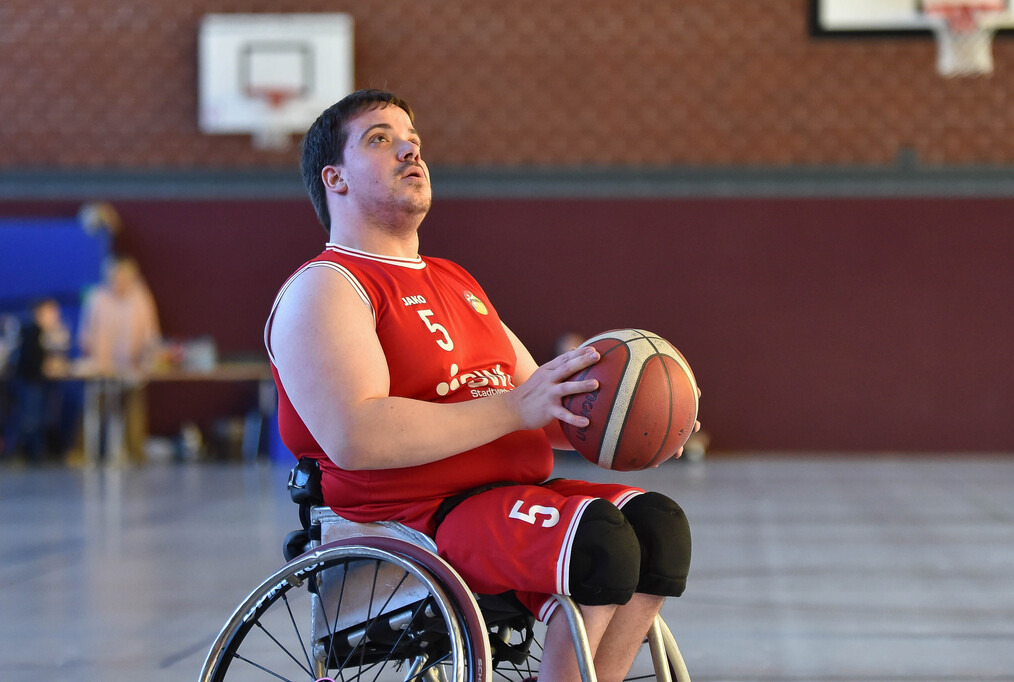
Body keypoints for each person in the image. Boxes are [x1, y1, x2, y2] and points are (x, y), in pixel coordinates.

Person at [266, 89, 697, 682]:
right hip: (416, 518)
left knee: (659, 527)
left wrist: (639, 425)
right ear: (334, 178)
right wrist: (514, 409)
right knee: (599, 543)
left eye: (410, 136)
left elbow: (544, 405)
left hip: (504, 500)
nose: (409, 146)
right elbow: (356, 435)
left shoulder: (454, 279)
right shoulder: (328, 286)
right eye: (380, 138)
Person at [78, 256, 161, 462]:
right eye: (115, 277)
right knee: (94, 407)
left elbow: (150, 333)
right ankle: (84, 453)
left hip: (131, 365)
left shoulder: (141, 297)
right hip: (102, 366)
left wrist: (148, 356)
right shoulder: (97, 297)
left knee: (133, 408)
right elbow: (86, 332)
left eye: (124, 277)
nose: (119, 282)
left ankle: (134, 453)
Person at [2, 298, 70, 462]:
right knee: (28, 418)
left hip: (40, 382)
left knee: (39, 418)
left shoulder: (49, 333)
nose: (54, 316)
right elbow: (30, 361)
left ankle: (37, 453)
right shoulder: (30, 331)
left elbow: (58, 355)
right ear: (39, 314)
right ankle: (15, 452)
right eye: (50, 312)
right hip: (29, 382)